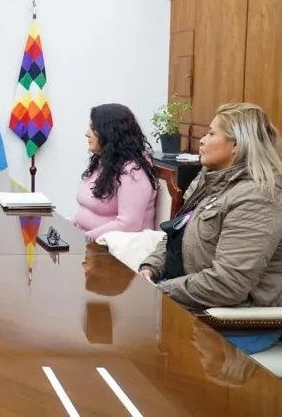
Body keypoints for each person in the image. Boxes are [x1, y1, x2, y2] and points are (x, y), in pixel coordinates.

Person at [140, 103, 282, 353]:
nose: (202, 140)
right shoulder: (209, 180)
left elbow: (229, 284)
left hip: (235, 320)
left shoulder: (258, 197)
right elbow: (176, 234)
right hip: (192, 300)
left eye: (211, 133)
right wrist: (150, 268)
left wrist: (160, 291)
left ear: (236, 145)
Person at [72, 103, 158, 239]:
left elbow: (128, 225)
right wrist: (67, 227)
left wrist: (82, 239)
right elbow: (86, 210)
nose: (87, 134)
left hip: (110, 248)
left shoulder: (133, 172)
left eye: (93, 128)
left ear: (109, 133)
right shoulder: (103, 162)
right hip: (88, 241)